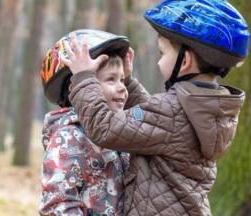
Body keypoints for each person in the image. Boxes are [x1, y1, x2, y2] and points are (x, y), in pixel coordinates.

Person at [61, 1, 249, 216]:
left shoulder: (172, 111)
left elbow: (105, 128)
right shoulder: (209, 108)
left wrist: (84, 78)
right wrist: (128, 83)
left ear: (184, 61)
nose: (159, 62)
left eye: (163, 53)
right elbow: (154, 123)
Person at [39, 29, 133, 216]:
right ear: (78, 88)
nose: (122, 87)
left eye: (122, 79)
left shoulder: (117, 133)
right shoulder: (69, 138)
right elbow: (58, 206)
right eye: (111, 79)